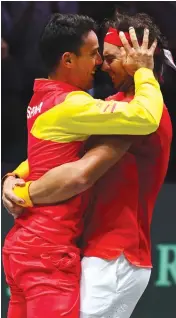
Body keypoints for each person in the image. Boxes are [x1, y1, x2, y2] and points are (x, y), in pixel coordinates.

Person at [2, 13, 164, 318]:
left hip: (23, 248)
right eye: (93, 54)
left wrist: (12, 177)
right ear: (67, 60)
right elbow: (144, 117)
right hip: (49, 252)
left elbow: (43, 157)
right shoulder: (73, 105)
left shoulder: (40, 99)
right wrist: (145, 73)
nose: (100, 63)